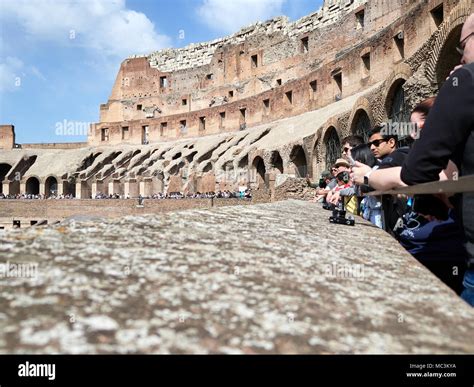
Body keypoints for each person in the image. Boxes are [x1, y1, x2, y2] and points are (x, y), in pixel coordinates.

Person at [353, 14, 474, 305]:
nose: (461, 56)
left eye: (463, 46)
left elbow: (417, 171)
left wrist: (370, 177)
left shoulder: (467, 79)